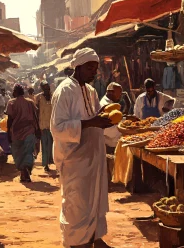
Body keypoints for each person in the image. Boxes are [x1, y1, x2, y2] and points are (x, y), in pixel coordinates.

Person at [50, 48, 113, 248]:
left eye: (96, 68)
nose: (94, 72)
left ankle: (93, 237)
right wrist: (92, 122)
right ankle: (76, 242)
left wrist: (104, 116)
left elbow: (92, 116)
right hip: (74, 160)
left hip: (92, 158)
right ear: (78, 66)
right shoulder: (65, 90)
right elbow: (57, 127)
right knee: (76, 204)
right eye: (89, 67)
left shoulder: (91, 91)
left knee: (93, 201)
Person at [6, 84, 39, 183]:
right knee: (28, 151)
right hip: (29, 131)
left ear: (16, 92)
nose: (12, 92)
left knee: (18, 153)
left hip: (16, 132)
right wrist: (38, 129)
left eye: (13, 91)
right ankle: (25, 171)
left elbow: (9, 119)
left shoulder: (11, 103)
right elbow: (35, 117)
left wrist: (8, 132)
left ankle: (23, 171)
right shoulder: (30, 102)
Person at [35, 81, 54, 173]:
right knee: (45, 145)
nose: (47, 89)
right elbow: (37, 112)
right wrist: (37, 126)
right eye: (45, 87)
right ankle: (46, 164)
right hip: (42, 125)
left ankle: (53, 162)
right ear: (42, 88)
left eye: (48, 87)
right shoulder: (38, 98)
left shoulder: (54, 96)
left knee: (53, 145)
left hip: (53, 125)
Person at [100, 82, 123, 154]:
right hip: (110, 145)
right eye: (119, 92)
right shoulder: (105, 105)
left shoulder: (112, 103)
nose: (120, 95)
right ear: (111, 92)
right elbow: (108, 128)